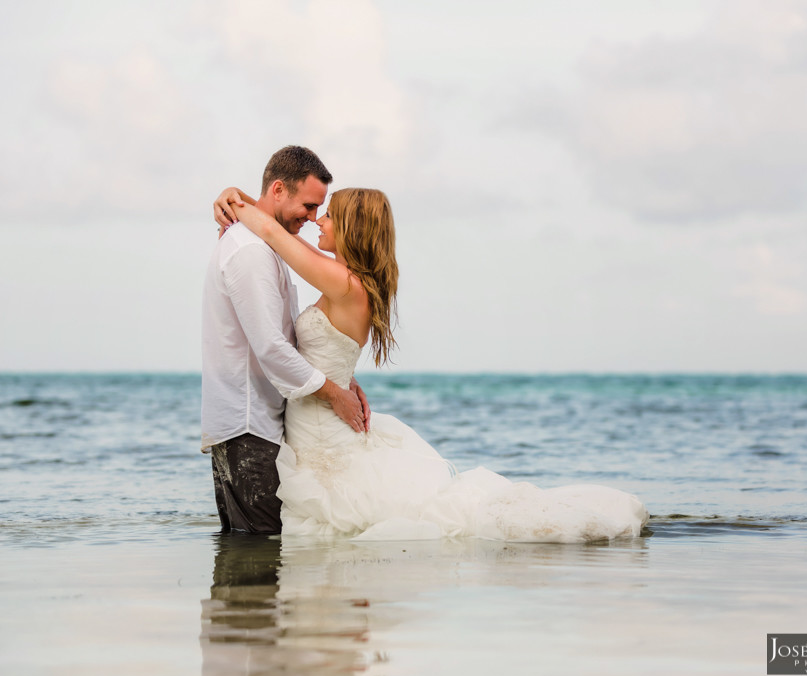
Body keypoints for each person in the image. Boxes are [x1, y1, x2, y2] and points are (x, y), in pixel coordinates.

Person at [211, 186, 649, 542]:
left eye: (328, 215)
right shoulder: (349, 281)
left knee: (342, 517)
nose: (317, 221)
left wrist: (236, 200)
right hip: (314, 420)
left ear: (349, 227)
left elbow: (275, 236)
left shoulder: (345, 282)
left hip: (321, 425)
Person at [202, 145, 370, 536]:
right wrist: (334, 392)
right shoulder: (250, 252)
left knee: (254, 557)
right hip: (250, 426)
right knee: (258, 553)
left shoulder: (268, 246)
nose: (313, 219)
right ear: (278, 190)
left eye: (320, 211)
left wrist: (342, 376)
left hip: (260, 424)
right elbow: (271, 347)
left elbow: (291, 340)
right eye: (309, 206)